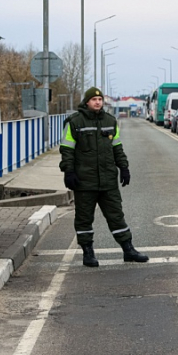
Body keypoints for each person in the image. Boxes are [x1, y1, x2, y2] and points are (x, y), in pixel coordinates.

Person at [60, 87, 149, 267]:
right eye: (94, 99)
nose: (98, 102)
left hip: (108, 180)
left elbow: (117, 147)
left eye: (100, 100)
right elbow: (67, 150)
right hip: (85, 180)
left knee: (116, 216)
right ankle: (87, 253)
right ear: (87, 102)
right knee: (84, 218)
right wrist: (68, 171)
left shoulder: (110, 121)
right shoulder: (74, 122)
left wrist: (124, 168)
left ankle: (128, 249)